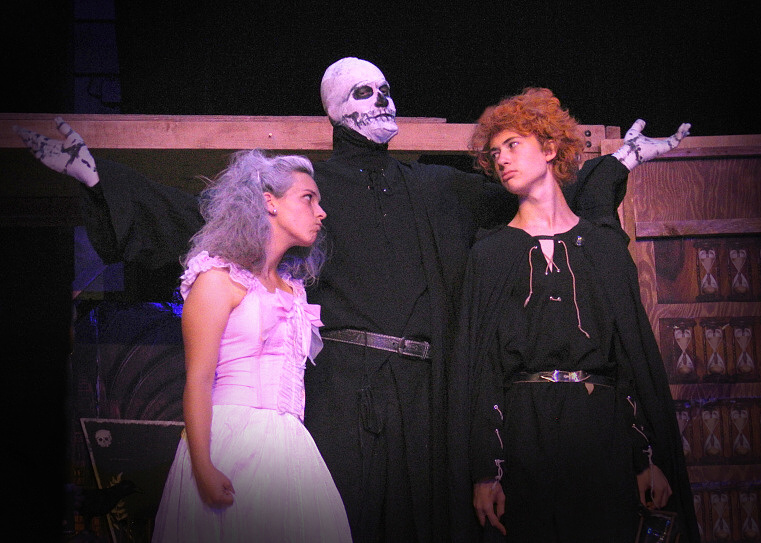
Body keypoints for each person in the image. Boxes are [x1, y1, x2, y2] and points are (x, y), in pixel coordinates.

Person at [14, 58, 689, 542]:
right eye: (364, 91)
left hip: (426, 394)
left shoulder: (436, 188)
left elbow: (539, 204)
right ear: (335, 110)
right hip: (343, 392)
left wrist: (620, 163)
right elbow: (201, 215)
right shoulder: (313, 191)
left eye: (388, 88)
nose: (383, 100)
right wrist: (98, 178)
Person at [448, 87, 698, 542]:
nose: (502, 159)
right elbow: (481, 371)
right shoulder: (490, 253)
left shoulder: (602, 248)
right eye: (495, 152)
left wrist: (646, 458)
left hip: (600, 429)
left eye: (513, 144)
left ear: (549, 148)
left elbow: (628, 360)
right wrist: (486, 471)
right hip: (524, 434)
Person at [150, 150, 351, 542]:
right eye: (308, 198)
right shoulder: (217, 279)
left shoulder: (293, 291)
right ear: (269, 201)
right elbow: (198, 381)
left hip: (290, 447)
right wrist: (203, 467)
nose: (320, 211)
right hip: (231, 439)